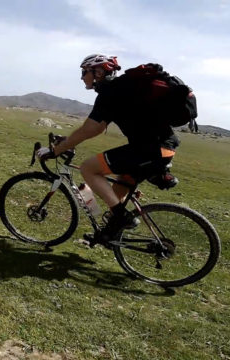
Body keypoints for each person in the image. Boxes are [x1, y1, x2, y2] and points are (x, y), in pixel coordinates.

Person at [37, 54, 180, 242]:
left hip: (150, 150)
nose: (82, 77)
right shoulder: (121, 88)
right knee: (117, 190)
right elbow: (95, 127)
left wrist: (57, 150)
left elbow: (90, 129)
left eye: (84, 72)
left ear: (97, 72)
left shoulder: (110, 91)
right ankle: (109, 235)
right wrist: (68, 141)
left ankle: (121, 219)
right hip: (162, 149)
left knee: (89, 169)